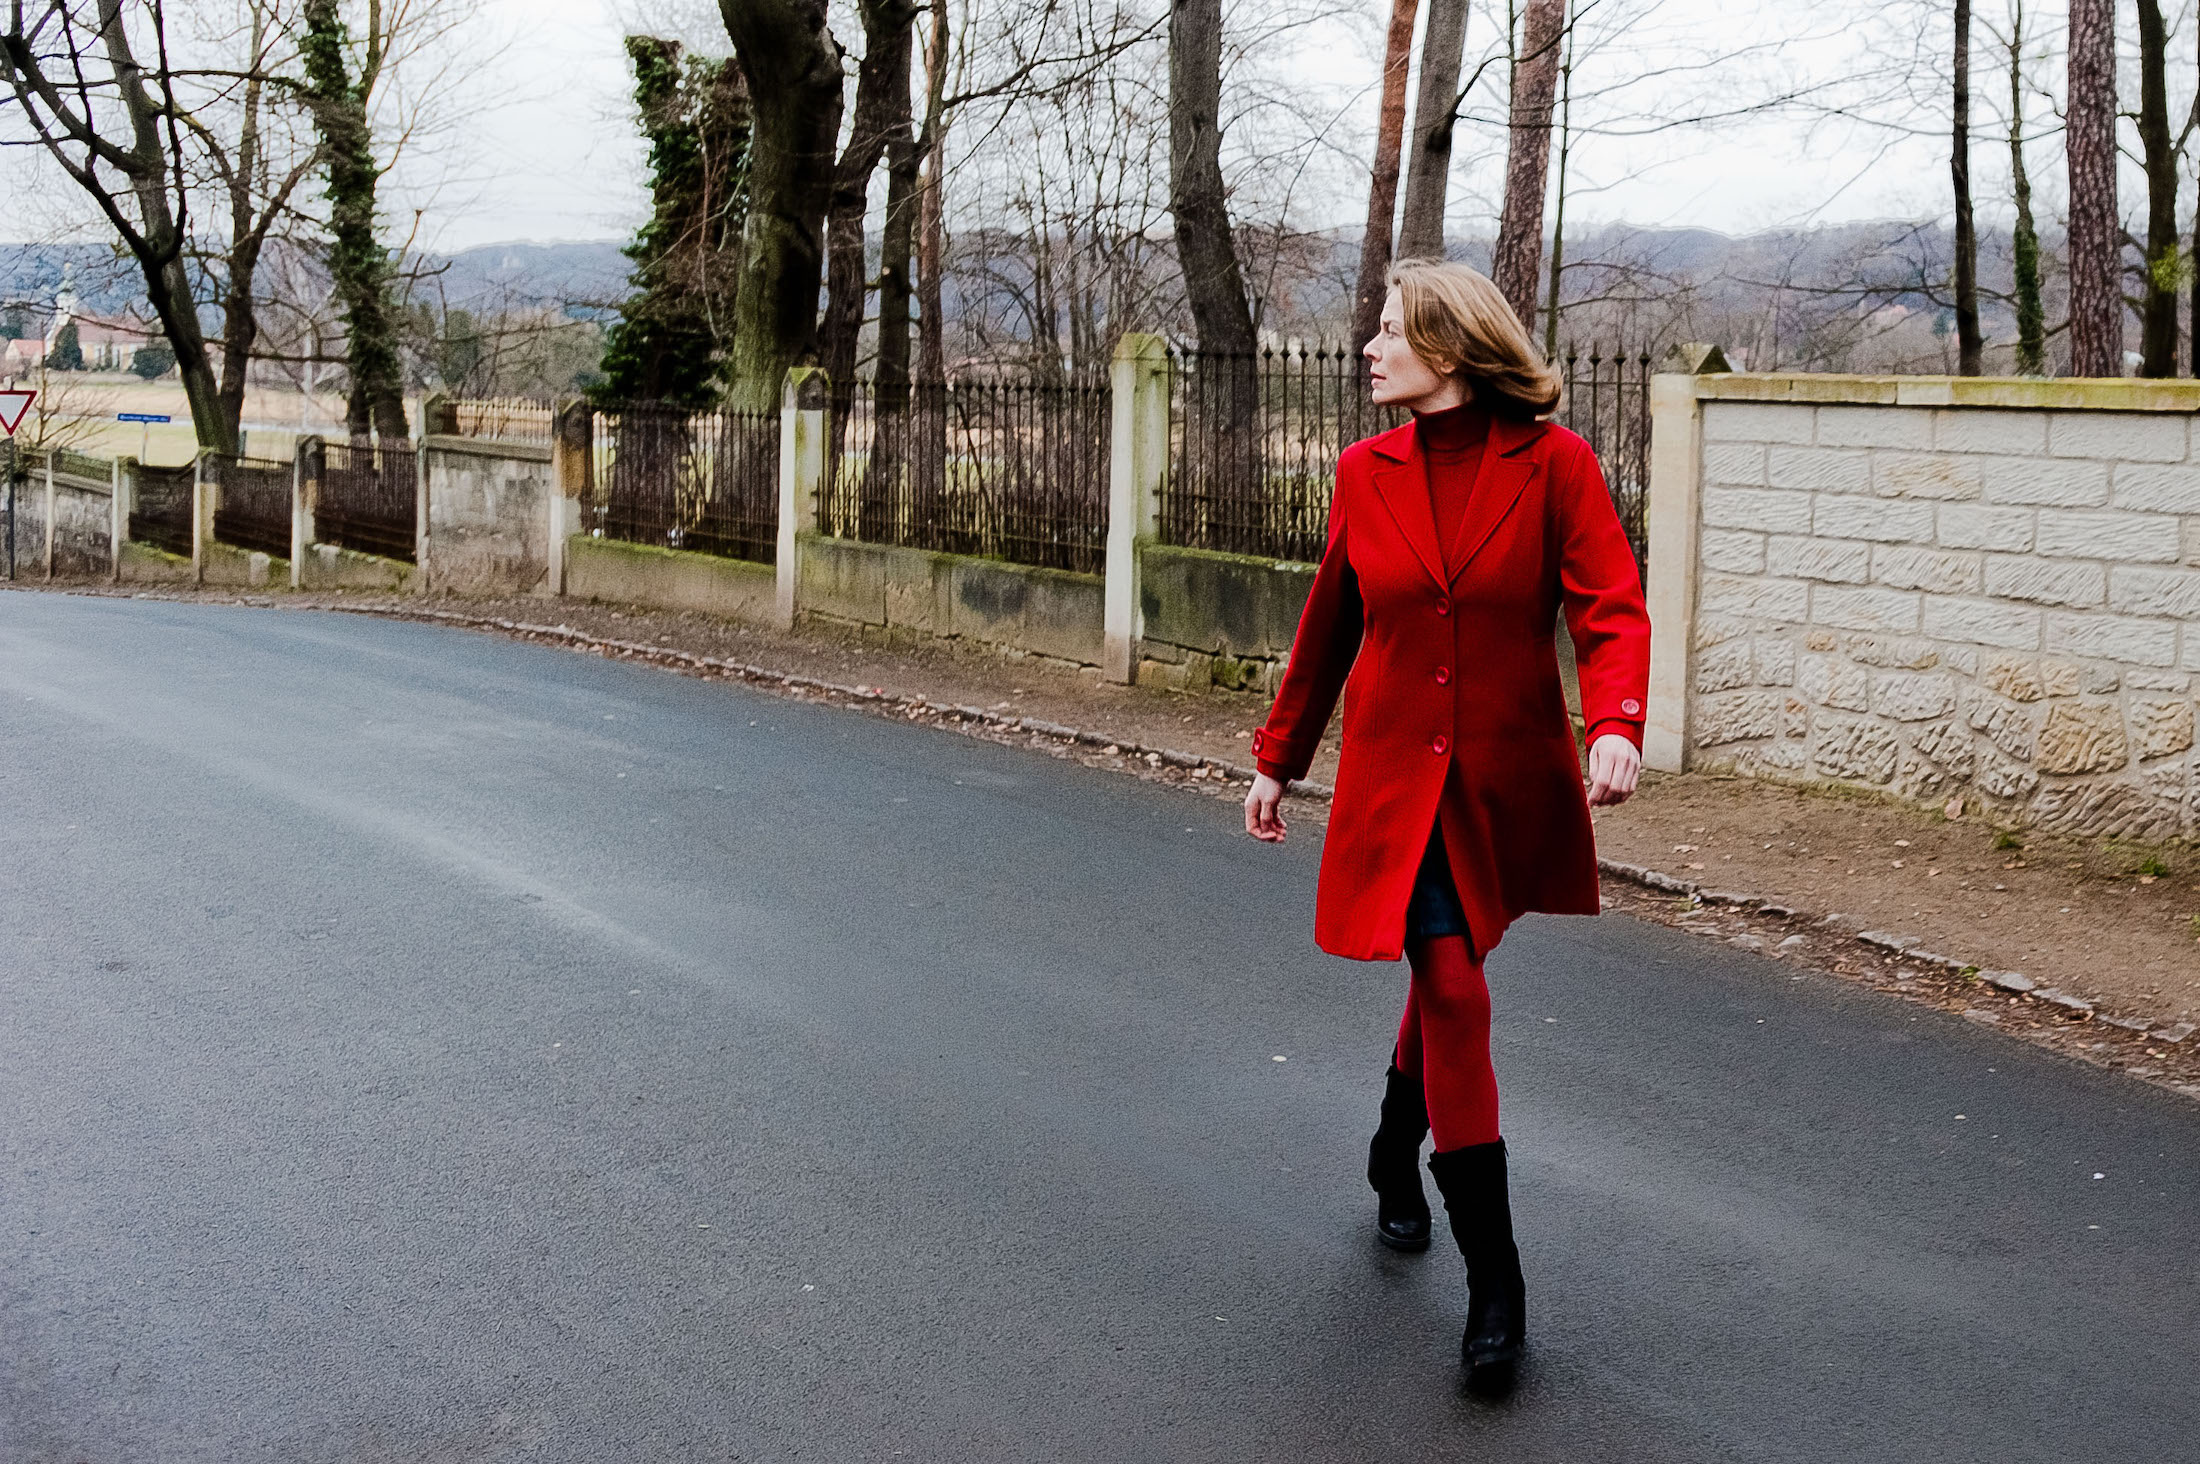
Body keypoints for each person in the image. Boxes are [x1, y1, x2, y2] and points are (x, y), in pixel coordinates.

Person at [1241, 259, 1649, 1392]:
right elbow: (1329, 626)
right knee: (1456, 989)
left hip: (1498, 786)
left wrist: (1616, 721)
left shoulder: (1556, 467)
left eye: (1389, 331)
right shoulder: (1363, 473)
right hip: (1394, 784)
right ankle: (1496, 1282)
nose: (1369, 348)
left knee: (1448, 968)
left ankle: (1393, 1140)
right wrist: (1278, 760)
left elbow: (1609, 606)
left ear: (1453, 349)